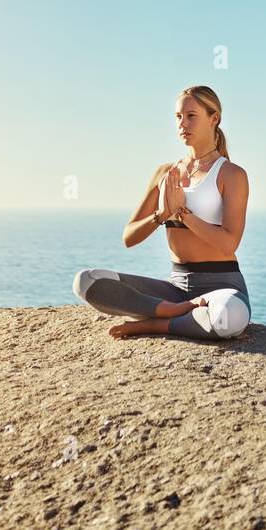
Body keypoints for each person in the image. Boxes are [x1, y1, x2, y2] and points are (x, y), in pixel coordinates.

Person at [72, 85, 251, 341]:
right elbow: (129, 237)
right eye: (178, 117)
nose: (182, 124)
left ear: (214, 119)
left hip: (222, 286)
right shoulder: (165, 173)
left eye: (191, 116)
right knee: (87, 281)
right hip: (175, 288)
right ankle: (171, 312)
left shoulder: (232, 175)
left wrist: (182, 213)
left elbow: (229, 243)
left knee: (227, 318)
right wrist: (161, 214)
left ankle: (153, 324)